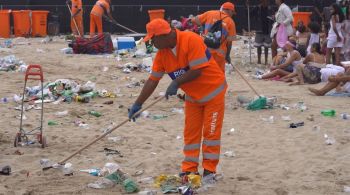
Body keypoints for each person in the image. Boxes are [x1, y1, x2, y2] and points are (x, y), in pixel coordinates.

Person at [128, 19, 227, 177]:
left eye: (153, 39)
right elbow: (153, 80)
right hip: (193, 97)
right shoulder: (162, 54)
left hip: (213, 93)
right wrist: (138, 104)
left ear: (164, 35)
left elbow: (197, 70)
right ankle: (189, 170)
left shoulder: (190, 39)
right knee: (191, 133)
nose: (152, 43)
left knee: (211, 134)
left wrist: (176, 82)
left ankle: (209, 171)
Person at [192, 2, 237, 72]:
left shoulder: (210, 13)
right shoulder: (231, 22)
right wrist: (227, 55)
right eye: (232, 12)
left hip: (205, 50)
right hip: (219, 55)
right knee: (219, 75)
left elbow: (194, 21)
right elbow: (229, 43)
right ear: (229, 10)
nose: (232, 15)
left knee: (205, 73)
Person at [248, 0, 273, 65]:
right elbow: (250, 14)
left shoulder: (270, 9)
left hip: (267, 30)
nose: (267, 3)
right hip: (259, 30)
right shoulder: (257, 8)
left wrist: (273, 18)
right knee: (258, 46)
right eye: (266, 2)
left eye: (267, 2)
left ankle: (266, 61)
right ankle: (259, 60)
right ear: (262, 2)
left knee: (266, 47)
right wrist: (247, 7)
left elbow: (273, 17)